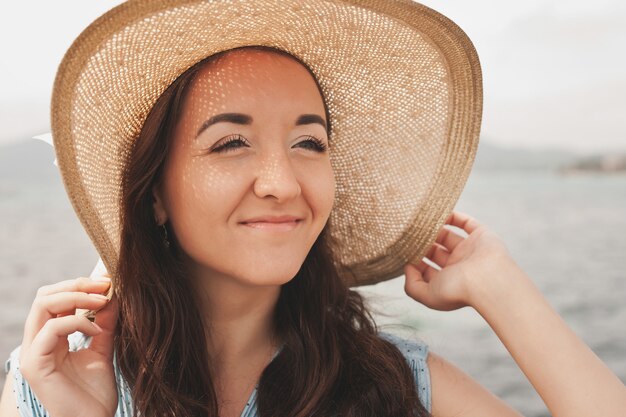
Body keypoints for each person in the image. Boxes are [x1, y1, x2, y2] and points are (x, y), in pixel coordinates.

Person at [2, 1, 625, 417]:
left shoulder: (392, 385)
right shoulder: (54, 381)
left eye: (308, 142)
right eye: (231, 142)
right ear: (156, 193)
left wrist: (501, 287)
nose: (281, 182)